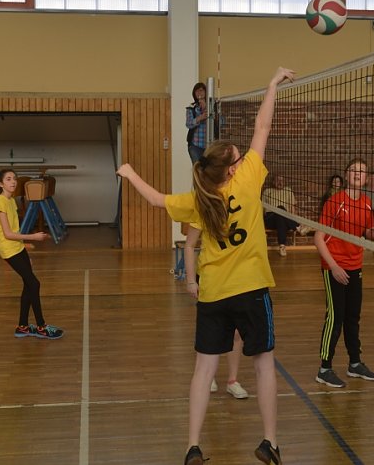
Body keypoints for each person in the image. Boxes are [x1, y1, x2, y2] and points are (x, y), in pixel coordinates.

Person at [117, 66, 295, 465]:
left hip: (213, 293)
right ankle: (270, 441)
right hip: (251, 290)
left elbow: (157, 200)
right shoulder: (247, 181)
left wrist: (129, 173)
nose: (242, 154)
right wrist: (270, 85)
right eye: (237, 155)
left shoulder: (197, 198)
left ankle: (192, 446)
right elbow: (263, 129)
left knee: (203, 371)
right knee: (264, 367)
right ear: (232, 168)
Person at [314, 158, 374, 388]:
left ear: (366, 178)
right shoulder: (335, 201)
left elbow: (366, 234)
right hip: (334, 267)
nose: (358, 174)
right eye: (354, 171)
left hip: (355, 266)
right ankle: (324, 368)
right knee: (334, 318)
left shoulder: (366, 203)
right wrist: (334, 267)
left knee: (352, 317)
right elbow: (318, 238)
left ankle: (355, 363)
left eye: (362, 171)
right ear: (347, 176)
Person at [0, 169, 64, 339]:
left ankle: (23, 326)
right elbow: (7, 234)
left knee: (28, 284)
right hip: (8, 250)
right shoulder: (0, 203)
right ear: (1, 184)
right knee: (34, 284)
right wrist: (33, 237)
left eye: (14, 179)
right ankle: (41, 327)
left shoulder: (11, 201)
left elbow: (14, 231)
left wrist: (25, 251)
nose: (13, 182)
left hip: (17, 248)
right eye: (8, 179)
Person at [185, 224, 248, 400]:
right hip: (210, 275)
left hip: (237, 275)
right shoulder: (206, 204)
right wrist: (190, 280)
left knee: (236, 332)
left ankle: (232, 381)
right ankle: (209, 375)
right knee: (211, 329)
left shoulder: (244, 204)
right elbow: (189, 240)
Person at [262, 173, 307, 256]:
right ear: (273, 182)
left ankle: (282, 246)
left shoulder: (288, 191)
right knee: (280, 208)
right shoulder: (267, 191)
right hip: (270, 218)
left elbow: (292, 208)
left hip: (284, 219)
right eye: (277, 180)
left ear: (284, 182)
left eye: (282, 180)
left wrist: (293, 218)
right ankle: (298, 227)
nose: (280, 182)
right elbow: (262, 210)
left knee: (281, 216)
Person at [186, 82, 208, 164]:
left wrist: (206, 107)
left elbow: (221, 122)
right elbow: (188, 124)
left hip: (210, 146)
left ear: (206, 92)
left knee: (209, 170)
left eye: (201, 90)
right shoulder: (191, 108)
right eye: (197, 91)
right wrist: (200, 118)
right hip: (195, 145)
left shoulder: (213, 105)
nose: (199, 93)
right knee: (198, 170)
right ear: (194, 94)